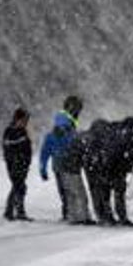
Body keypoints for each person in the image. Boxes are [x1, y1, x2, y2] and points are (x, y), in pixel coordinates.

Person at [38, 95, 92, 224]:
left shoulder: (52, 135)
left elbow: (44, 154)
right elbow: (75, 147)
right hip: (70, 165)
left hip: (58, 166)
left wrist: (43, 169)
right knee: (77, 191)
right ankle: (79, 216)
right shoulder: (70, 132)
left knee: (66, 191)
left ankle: (70, 214)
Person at [2, 107, 32, 221]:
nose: (25, 123)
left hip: (22, 164)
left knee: (20, 187)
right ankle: (12, 211)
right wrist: (16, 161)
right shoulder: (10, 131)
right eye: (24, 120)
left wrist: (26, 162)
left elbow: (25, 148)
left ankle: (17, 211)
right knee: (18, 186)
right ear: (17, 119)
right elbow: (9, 149)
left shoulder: (22, 131)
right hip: (15, 165)